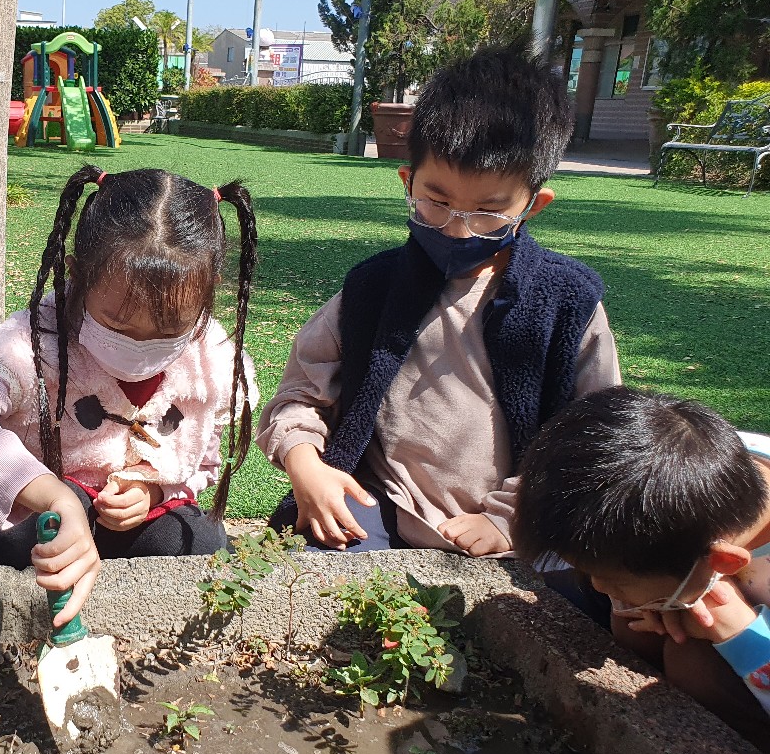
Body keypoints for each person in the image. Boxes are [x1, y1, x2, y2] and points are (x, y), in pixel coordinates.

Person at [256, 47, 620, 556]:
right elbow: (300, 395)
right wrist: (305, 464)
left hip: (518, 526)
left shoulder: (567, 302)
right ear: (408, 182)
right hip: (380, 507)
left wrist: (510, 517)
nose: (457, 229)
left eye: (489, 212)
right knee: (306, 570)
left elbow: (594, 437)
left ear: (533, 205)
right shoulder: (371, 288)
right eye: (437, 202)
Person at [0, 165, 258, 624]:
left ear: (207, 294)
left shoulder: (212, 360)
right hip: (27, 522)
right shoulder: (34, 342)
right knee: (61, 513)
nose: (140, 346)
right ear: (77, 275)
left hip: (126, 525)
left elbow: (202, 463)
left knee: (201, 541)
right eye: (117, 324)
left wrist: (155, 490)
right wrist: (56, 498)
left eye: (169, 328)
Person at [515, 386, 770, 751]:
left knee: (693, 665)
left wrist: (739, 632)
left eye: (613, 580)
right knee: (627, 622)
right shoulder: (683, 473)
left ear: (723, 561)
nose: (599, 585)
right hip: (682, 579)